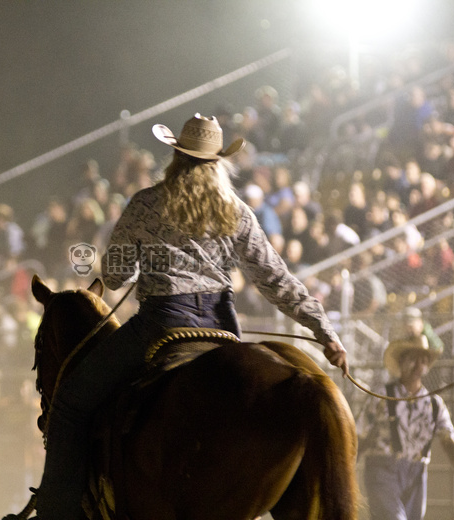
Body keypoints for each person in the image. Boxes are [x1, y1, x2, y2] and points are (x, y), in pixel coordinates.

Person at [28, 114, 347, 520]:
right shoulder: (238, 213)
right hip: (220, 329)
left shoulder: (146, 204)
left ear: (176, 156)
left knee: (71, 402)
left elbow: (114, 276)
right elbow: (275, 279)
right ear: (218, 162)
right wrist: (325, 332)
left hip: (160, 326)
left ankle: (56, 513)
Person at [356, 335, 454, 520]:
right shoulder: (381, 397)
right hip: (382, 470)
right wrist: (350, 461)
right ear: (401, 362)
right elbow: (359, 434)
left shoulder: (434, 404)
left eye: (423, 361)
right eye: (413, 360)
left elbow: (448, 438)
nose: (418, 366)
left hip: (416, 475)